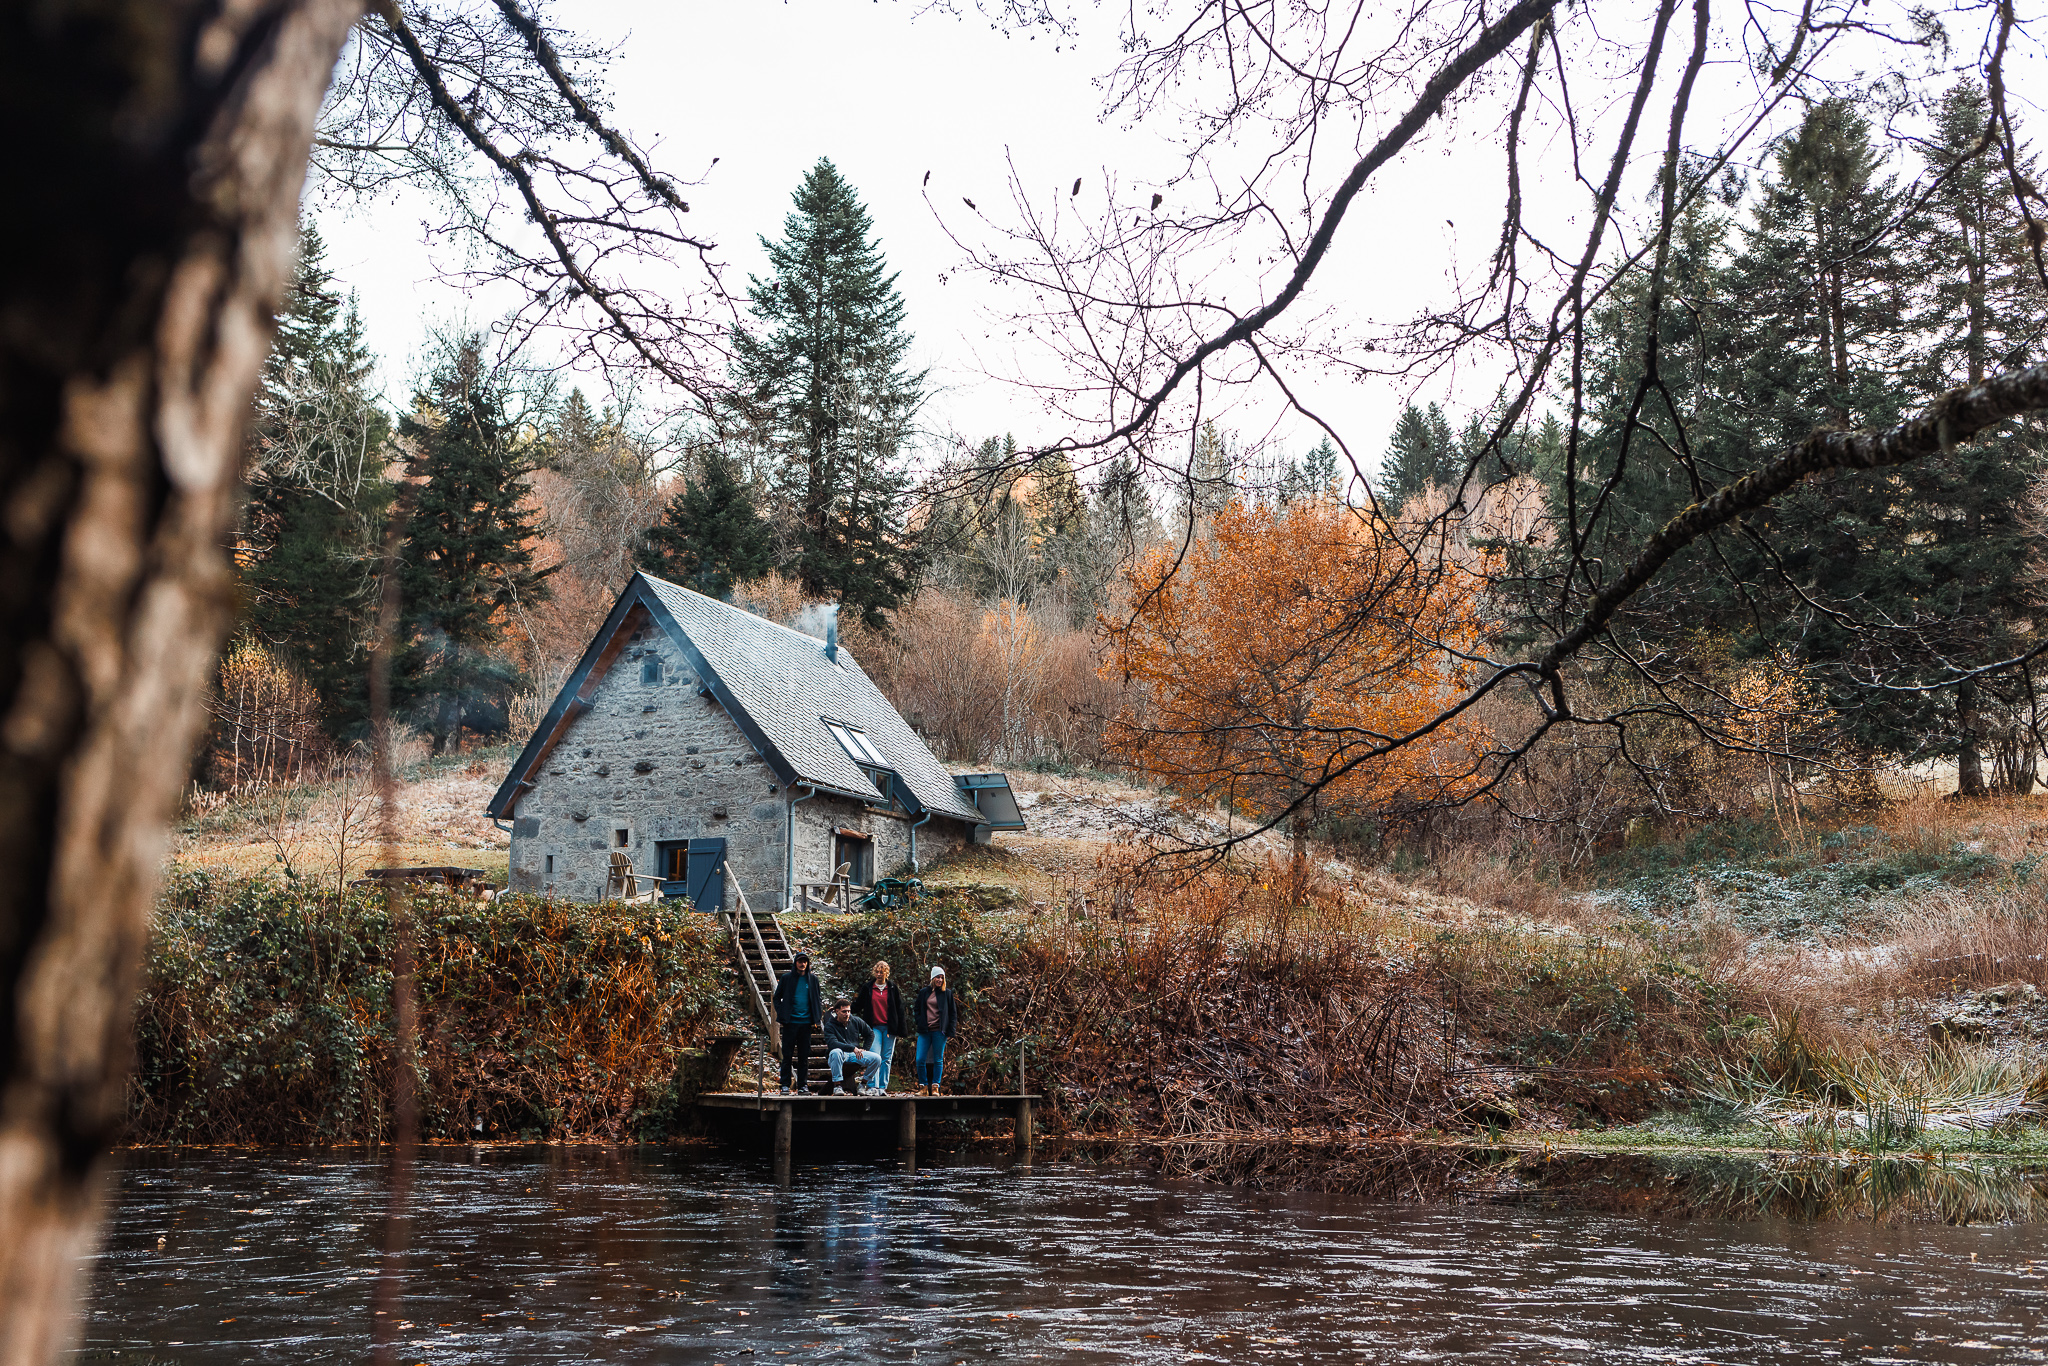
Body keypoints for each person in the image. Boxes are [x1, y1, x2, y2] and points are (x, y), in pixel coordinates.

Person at [851, 960, 909, 1091]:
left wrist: (901, 1030)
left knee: (886, 1059)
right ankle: (873, 1086)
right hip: (873, 1028)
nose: (879, 974)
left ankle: (882, 1087)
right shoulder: (868, 987)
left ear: (886, 973)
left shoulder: (892, 988)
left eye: (881, 972)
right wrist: (842, 1009)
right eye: (877, 972)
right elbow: (858, 1004)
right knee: (874, 1056)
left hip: (889, 1028)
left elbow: (899, 1009)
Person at [772, 950, 822, 1094]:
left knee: (803, 1056)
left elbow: (817, 998)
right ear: (795, 963)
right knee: (787, 1055)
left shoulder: (813, 979)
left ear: (808, 963)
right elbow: (777, 997)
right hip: (790, 1023)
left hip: (806, 1023)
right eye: (800, 961)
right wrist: (782, 1012)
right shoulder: (787, 978)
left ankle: (802, 1085)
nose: (802, 964)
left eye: (805, 961)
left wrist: (816, 1016)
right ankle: (785, 1085)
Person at [912, 966, 958, 1095]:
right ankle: (923, 1087)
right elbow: (917, 1009)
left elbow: (953, 1013)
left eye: (942, 978)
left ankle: (935, 1087)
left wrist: (950, 1031)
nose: (940, 980)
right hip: (925, 1031)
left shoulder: (947, 993)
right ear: (933, 978)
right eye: (938, 977)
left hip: (940, 1031)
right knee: (920, 1059)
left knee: (938, 1059)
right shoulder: (924, 992)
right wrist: (919, 1021)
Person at [821, 999, 883, 1095]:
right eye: (844, 1011)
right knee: (835, 1052)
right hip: (840, 1054)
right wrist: (852, 1048)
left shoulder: (855, 1021)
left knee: (876, 1058)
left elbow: (870, 1033)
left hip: (855, 1054)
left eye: (849, 1011)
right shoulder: (830, 1025)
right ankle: (837, 1086)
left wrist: (865, 1049)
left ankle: (863, 1084)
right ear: (837, 1011)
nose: (847, 1014)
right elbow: (833, 1044)